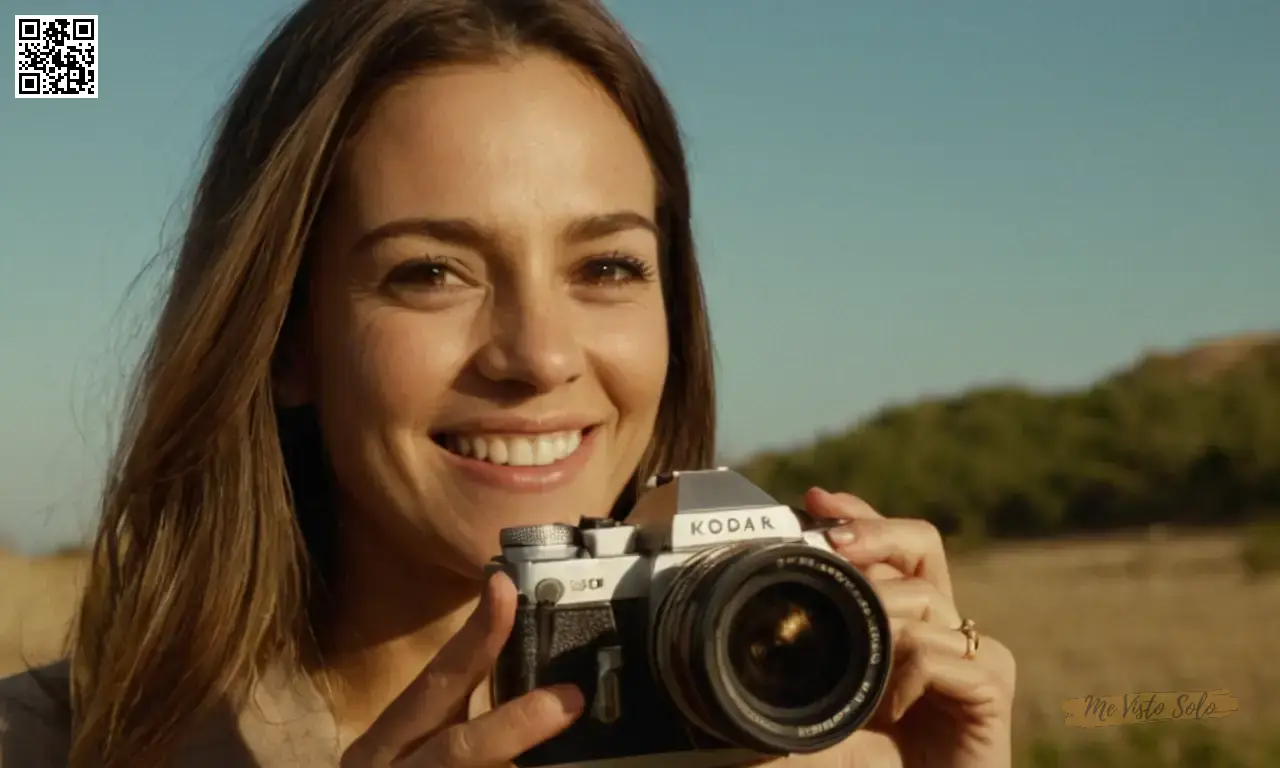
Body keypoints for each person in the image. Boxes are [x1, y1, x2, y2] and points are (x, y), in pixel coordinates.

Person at [0, 1, 1016, 766]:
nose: (537, 355)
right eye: (430, 272)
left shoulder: (817, 734)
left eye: (606, 267)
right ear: (285, 342)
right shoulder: (48, 743)